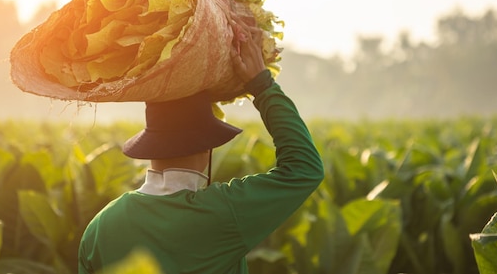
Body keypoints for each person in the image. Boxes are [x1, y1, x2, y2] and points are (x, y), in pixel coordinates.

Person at [78, 23, 324, 274]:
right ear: (206, 146)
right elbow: (305, 168)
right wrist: (262, 85)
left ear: (151, 144)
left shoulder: (99, 227)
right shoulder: (221, 213)